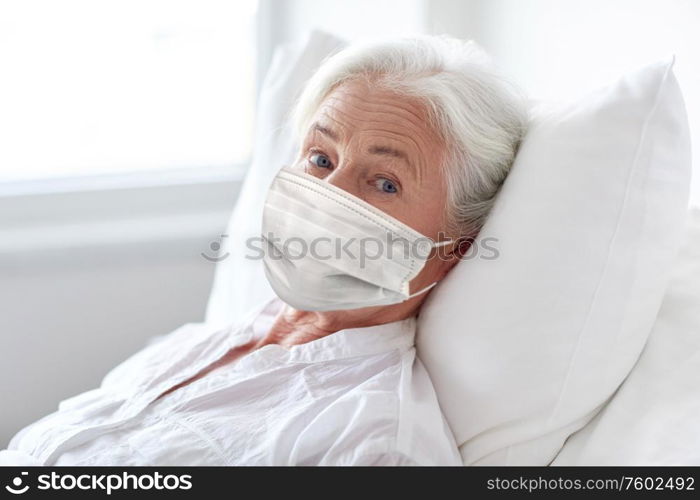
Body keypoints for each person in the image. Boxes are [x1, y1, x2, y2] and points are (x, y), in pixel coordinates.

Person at [0, 34, 527, 466]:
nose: (327, 196)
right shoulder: (200, 343)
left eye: (384, 183)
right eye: (320, 158)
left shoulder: (371, 443)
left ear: (455, 247)